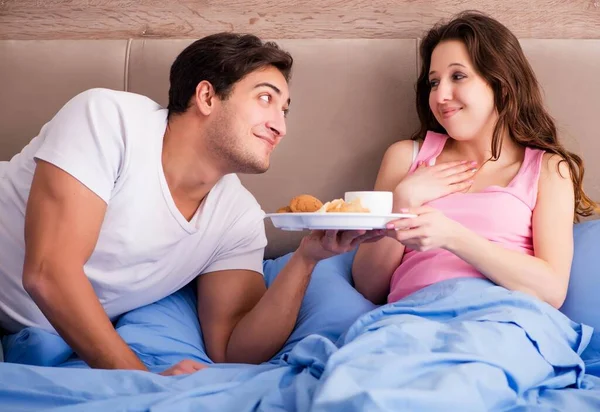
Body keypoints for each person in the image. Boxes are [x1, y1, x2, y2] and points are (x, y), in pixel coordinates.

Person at [0, 33, 383, 374]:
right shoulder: (108, 120)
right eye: (266, 98)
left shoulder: (238, 217)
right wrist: (143, 381)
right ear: (207, 96)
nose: (280, 126)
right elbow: (48, 273)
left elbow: (233, 348)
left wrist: (306, 259)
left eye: (284, 110)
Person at [352, 11, 599, 307]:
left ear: (501, 85)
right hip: (410, 323)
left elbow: (552, 291)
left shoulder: (547, 170)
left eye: (458, 76)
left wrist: (452, 236)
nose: (440, 95)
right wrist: (402, 202)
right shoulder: (406, 157)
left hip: (505, 321)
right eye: (433, 82)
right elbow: (368, 287)